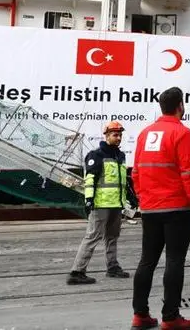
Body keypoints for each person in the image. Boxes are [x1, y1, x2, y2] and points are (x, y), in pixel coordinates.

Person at [130, 87, 190, 330]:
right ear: (180, 106)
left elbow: (136, 173)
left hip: (150, 208)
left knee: (147, 261)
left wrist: (144, 198)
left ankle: (140, 315)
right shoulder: (183, 133)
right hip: (177, 209)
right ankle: (170, 317)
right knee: (174, 260)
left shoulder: (144, 134)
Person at [67, 120, 133, 285]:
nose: (118, 138)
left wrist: (129, 197)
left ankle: (113, 267)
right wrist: (89, 200)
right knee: (92, 236)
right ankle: (77, 271)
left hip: (116, 205)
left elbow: (122, 181)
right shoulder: (96, 155)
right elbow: (90, 179)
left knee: (112, 237)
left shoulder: (120, 156)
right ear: (107, 136)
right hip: (100, 204)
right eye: (115, 135)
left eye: (120, 135)